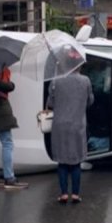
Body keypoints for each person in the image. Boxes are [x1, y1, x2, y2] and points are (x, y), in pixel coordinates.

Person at [47, 55, 94, 204]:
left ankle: (63, 194)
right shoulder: (85, 80)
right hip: (77, 125)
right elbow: (90, 100)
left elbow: (50, 103)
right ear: (79, 66)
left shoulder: (56, 80)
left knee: (62, 162)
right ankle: (75, 194)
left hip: (59, 126)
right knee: (75, 162)